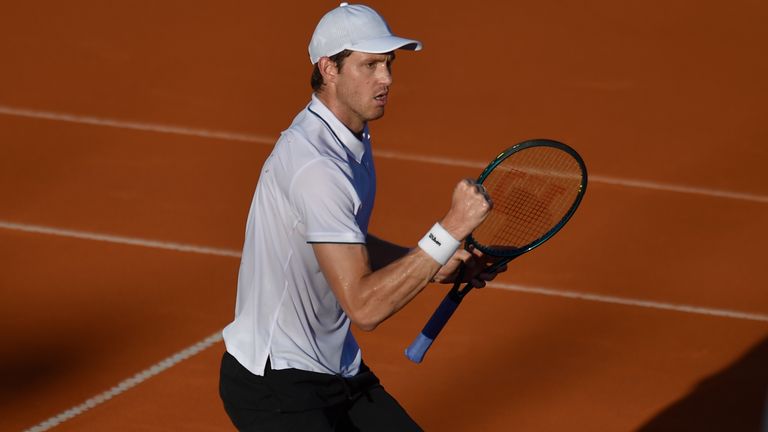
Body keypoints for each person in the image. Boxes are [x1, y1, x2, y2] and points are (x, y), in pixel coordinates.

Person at [219, 3, 506, 431]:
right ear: (328, 69)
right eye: (369, 65)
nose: (386, 78)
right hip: (277, 385)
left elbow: (342, 240)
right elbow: (364, 307)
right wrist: (448, 230)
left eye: (388, 64)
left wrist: (431, 263)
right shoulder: (316, 166)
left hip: (334, 370)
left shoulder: (349, 135)